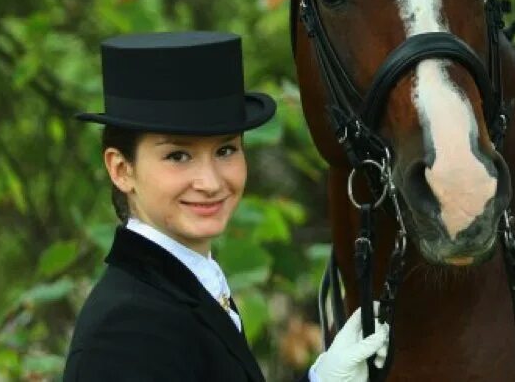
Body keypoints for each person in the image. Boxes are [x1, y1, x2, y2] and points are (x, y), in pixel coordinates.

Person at [64, 31, 388, 381]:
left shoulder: (184, 286)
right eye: (178, 155)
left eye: (225, 150)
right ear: (121, 169)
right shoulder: (126, 331)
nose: (212, 182)